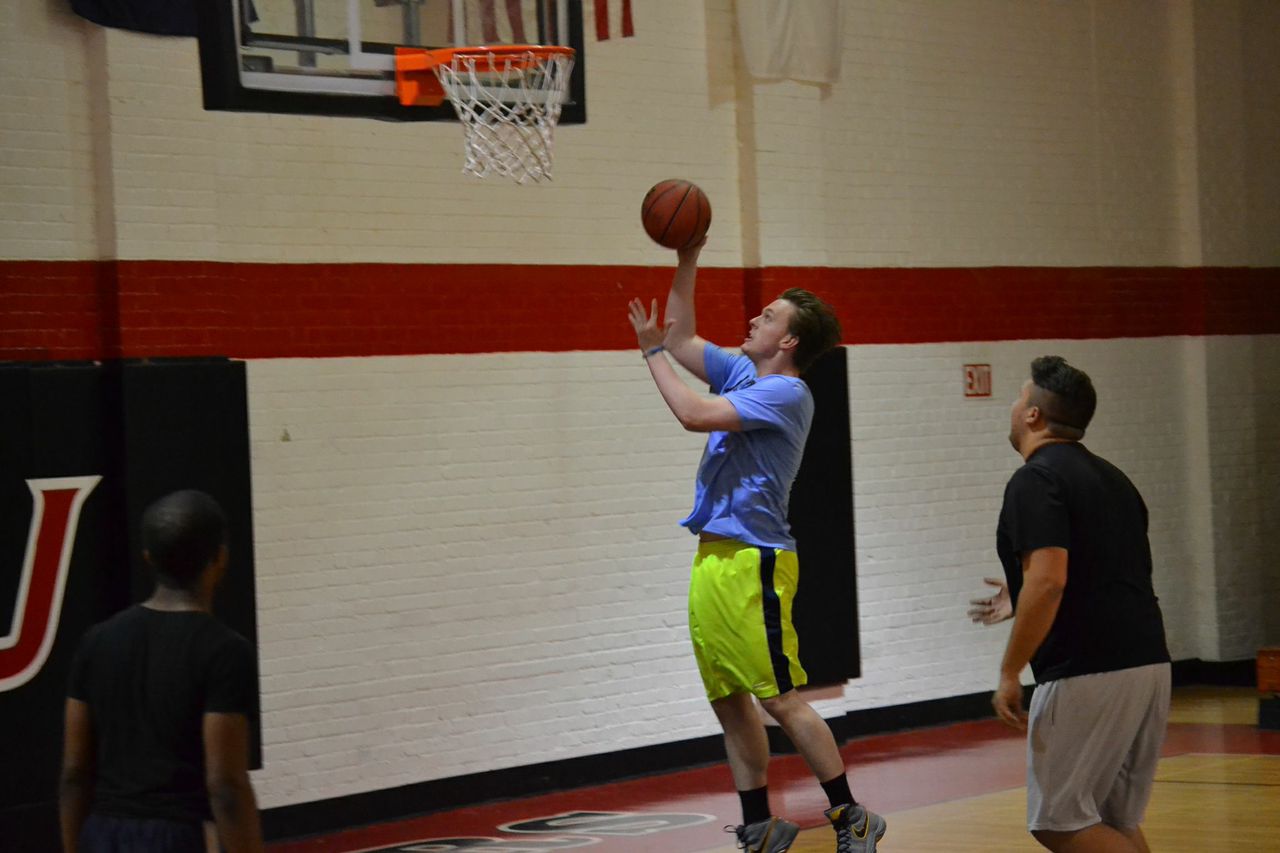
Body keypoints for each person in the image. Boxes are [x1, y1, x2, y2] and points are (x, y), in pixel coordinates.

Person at [627, 240, 885, 853]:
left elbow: (691, 411)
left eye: (768, 317)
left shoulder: (786, 393)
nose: (753, 320)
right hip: (713, 556)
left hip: (755, 561)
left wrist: (651, 353)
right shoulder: (746, 372)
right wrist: (688, 255)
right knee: (728, 697)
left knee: (779, 697)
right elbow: (684, 335)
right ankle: (760, 823)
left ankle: (851, 814)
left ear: (790, 341)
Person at [970, 356, 1171, 853]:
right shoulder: (1113, 478)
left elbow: (1050, 580)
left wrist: (1010, 670)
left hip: (1087, 669)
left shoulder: (1035, 480)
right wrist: (1022, 594)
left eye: (1019, 398)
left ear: (1034, 414)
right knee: (1112, 818)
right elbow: (1097, 569)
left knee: (1058, 822)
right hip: (1148, 662)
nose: (1014, 407)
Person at [60, 490, 263, 853]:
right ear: (220, 558)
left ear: (148, 558)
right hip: (175, 836)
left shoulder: (95, 641)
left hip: (102, 832)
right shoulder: (226, 651)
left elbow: (75, 773)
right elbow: (225, 785)